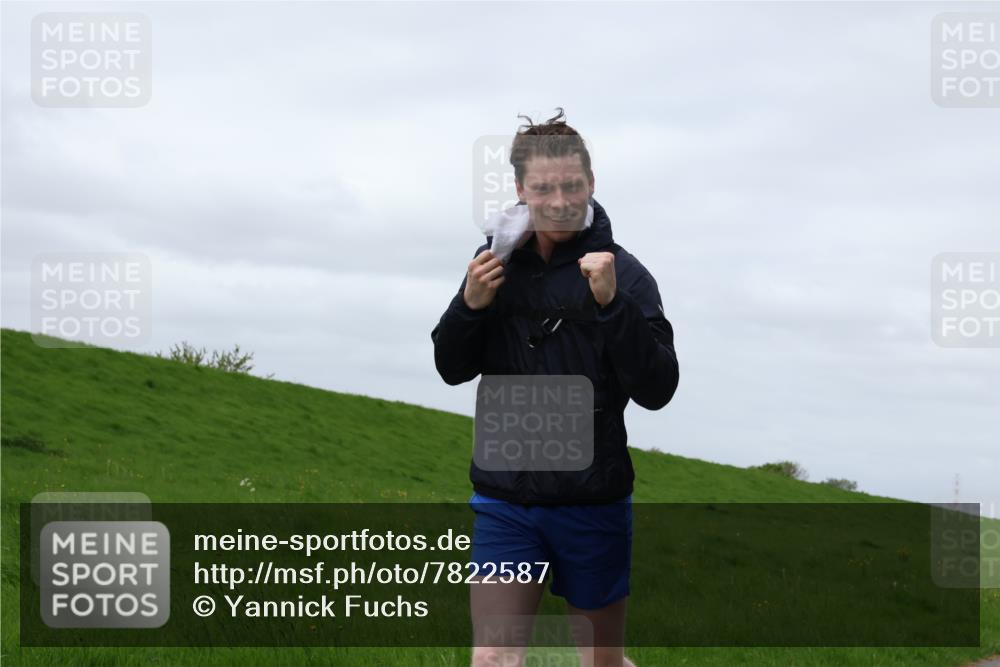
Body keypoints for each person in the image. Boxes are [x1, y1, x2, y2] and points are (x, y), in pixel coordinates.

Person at [431, 108, 679, 667]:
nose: (560, 200)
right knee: (493, 656)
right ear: (521, 189)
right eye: (544, 188)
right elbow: (451, 366)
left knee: (601, 662)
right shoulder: (493, 262)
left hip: (592, 502)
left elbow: (658, 388)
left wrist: (613, 305)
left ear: (590, 183)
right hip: (505, 501)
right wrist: (469, 306)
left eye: (572, 185)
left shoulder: (627, 275)